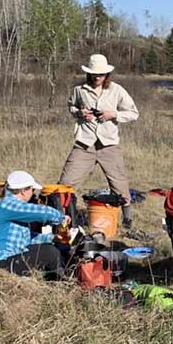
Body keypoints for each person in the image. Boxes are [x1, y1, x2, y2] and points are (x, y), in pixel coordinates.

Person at [59, 54, 140, 229]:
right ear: (89, 73)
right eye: (95, 74)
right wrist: (80, 113)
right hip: (84, 144)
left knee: (118, 182)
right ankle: (58, 215)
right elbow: (71, 106)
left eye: (101, 74)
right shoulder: (79, 89)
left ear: (107, 75)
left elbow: (133, 113)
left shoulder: (117, 90)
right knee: (66, 182)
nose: (98, 77)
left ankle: (126, 219)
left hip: (108, 144)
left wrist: (113, 114)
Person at [0, 171, 68, 279]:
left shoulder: (6, 203)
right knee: (49, 253)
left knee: (48, 248)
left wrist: (51, 237)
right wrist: (61, 217)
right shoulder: (7, 204)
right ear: (24, 191)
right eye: (32, 190)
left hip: (1, 260)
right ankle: (60, 281)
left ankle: (57, 277)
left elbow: (24, 240)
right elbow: (39, 211)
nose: (33, 194)